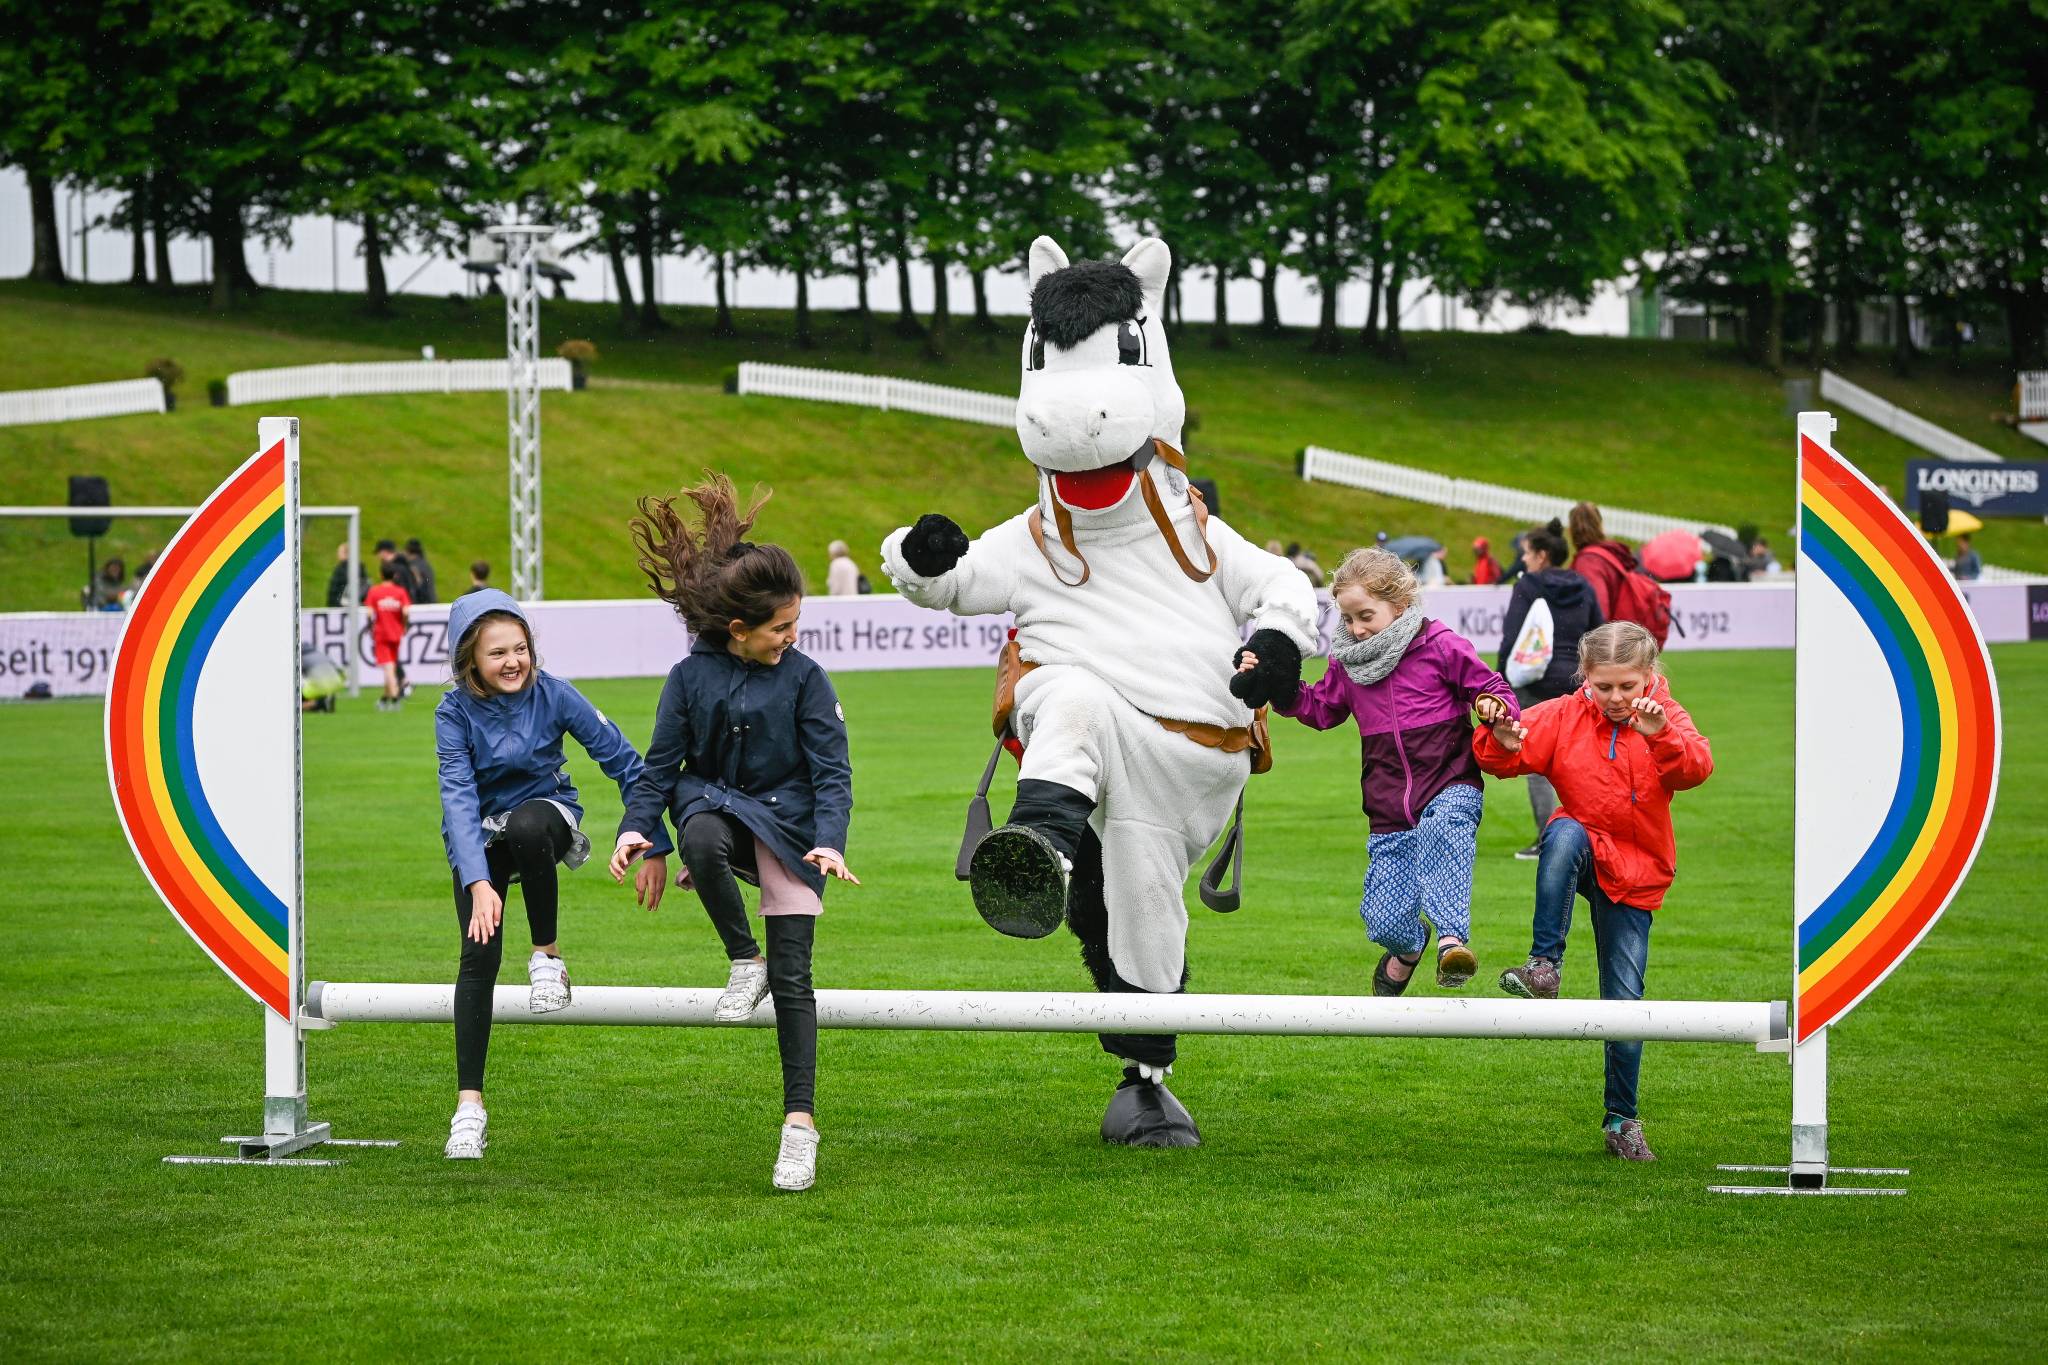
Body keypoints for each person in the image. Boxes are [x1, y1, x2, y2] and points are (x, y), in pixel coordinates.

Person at [612, 473, 856, 1193]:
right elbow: (658, 771)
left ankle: (799, 1127)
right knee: (702, 835)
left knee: (795, 979)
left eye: (795, 626)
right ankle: (738, 956)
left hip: (791, 827)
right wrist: (636, 830)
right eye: (780, 629)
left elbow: (833, 772)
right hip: (716, 807)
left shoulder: (806, 678)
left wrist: (832, 840)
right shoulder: (688, 678)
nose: (792, 639)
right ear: (737, 630)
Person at [435, 589, 669, 1161]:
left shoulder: (556, 694)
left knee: (530, 823)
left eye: (520, 648)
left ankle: (548, 958)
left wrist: (652, 842)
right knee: (477, 958)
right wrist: (477, 882)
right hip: (482, 841)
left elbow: (628, 764)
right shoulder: (452, 713)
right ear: (471, 662)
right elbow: (458, 800)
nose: (512, 661)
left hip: (546, 820)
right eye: (497, 653)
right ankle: (469, 1108)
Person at [1473, 622, 1714, 1162]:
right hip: (1582, 850)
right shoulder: (1564, 713)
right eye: (1603, 686)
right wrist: (1501, 738)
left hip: (1637, 871)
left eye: (1627, 686)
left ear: (1649, 676)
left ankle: (1621, 1120)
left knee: (1624, 1004)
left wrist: (1660, 736)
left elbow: (1697, 769)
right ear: (1584, 678)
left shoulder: (1664, 716)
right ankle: (1544, 965)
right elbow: (1503, 753)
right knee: (1562, 831)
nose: (1616, 698)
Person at [1244, 547, 1518, 995]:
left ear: (1401, 603)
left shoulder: (1440, 644)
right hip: (1388, 804)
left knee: (1445, 828)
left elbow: (1490, 687)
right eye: (1347, 620)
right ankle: (1408, 948)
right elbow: (1321, 709)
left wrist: (1494, 707)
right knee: (1385, 920)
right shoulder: (1348, 664)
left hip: (1450, 781)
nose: (1355, 629)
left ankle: (1452, 943)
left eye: (1366, 616)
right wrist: (1278, 686)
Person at [1495, 520, 1603, 859]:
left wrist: (1500, 682)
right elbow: (1598, 632)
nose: (1523, 560)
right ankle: (1590, 834)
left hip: (1536, 680)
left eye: (1526, 553)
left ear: (1542, 555)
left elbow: (1512, 636)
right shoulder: (1583, 585)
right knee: (1582, 757)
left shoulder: (1528, 584)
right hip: (1574, 679)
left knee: (1538, 761)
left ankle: (1547, 839)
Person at [363, 559, 412, 710]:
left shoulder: (374, 591)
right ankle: (384, 699)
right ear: (395, 575)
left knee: (388, 667)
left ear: (380, 574)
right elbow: (405, 611)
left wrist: (371, 625)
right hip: (396, 633)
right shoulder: (400, 592)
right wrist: (403, 625)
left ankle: (395, 697)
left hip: (381, 633)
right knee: (390, 665)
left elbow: (370, 612)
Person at [405, 538, 438, 604]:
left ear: (408, 551)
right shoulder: (425, 564)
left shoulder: (412, 566)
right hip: (431, 600)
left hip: (421, 603)